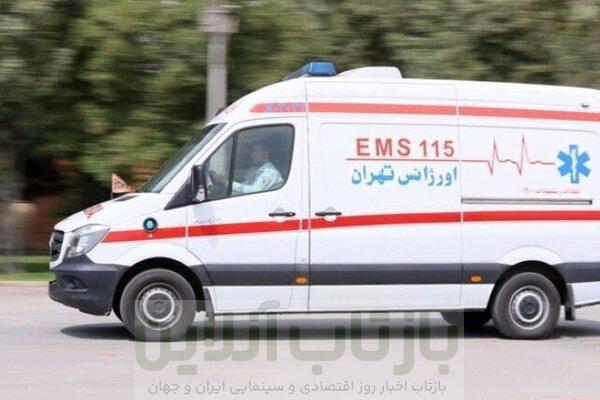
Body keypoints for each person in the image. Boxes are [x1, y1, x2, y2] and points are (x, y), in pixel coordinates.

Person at [211, 140, 283, 195]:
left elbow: (254, 191)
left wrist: (227, 183)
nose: (252, 154)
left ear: (265, 153)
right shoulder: (254, 169)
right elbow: (244, 186)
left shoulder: (270, 173)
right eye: (252, 152)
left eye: (256, 152)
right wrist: (226, 190)